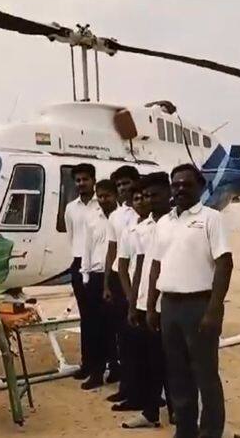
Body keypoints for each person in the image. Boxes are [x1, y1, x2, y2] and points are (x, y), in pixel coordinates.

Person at [147, 164, 233, 438]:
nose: (180, 189)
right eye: (176, 185)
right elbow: (155, 266)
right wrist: (151, 306)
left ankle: (210, 432)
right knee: (177, 374)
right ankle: (185, 430)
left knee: (205, 375)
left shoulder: (211, 218)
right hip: (170, 306)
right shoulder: (163, 223)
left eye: (186, 184)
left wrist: (214, 308)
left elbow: (224, 263)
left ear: (200, 187)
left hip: (199, 305)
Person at [122, 172, 173, 429]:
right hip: (146, 304)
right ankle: (151, 412)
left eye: (156, 195)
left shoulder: (177, 224)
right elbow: (142, 265)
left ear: (169, 194)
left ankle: (177, 410)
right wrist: (135, 304)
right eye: (147, 196)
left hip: (171, 304)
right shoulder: (143, 228)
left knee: (174, 362)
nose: (151, 200)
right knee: (153, 361)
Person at [102, 165, 141, 401]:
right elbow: (111, 250)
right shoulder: (115, 216)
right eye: (119, 185)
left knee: (141, 338)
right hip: (119, 278)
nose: (123, 188)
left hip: (141, 279)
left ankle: (146, 391)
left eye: (127, 183)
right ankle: (127, 388)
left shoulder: (144, 212)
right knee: (123, 337)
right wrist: (106, 283)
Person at [78, 178, 118, 390]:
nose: (103, 200)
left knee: (116, 327)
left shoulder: (123, 218)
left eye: (107, 196)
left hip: (117, 277)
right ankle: (96, 372)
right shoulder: (92, 219)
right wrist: (85, 275)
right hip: (95, 276)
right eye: (99, 196)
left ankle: (116, 367)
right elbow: (87, 248)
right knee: (95, 328)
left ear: (115, 195)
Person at [64, 163, 99, 383]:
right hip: (79, 263)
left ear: (93, 180)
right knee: (86, 319)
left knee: (102, 319)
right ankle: (88, 364)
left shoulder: (102, 204)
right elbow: (71, 235)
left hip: (98, 265)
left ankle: (107, 365)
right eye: (77, 180)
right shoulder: (71, 208)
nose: (81, 183)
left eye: (85, 179)